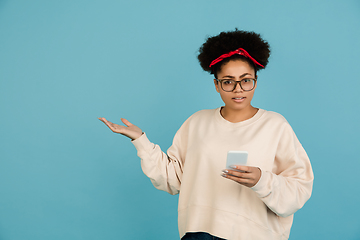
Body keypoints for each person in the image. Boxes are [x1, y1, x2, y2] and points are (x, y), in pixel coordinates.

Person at [99, 29, 314, 240]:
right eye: (228, 81)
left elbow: (299, 189)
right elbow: (172, 179)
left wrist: (262, 180)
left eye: (246, 80)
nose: (238, 89)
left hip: (251, 234)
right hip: (199, 232)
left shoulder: (275, 125)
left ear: (255, 81)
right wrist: (140, 140)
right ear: (217, 85)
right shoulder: (197, 122)